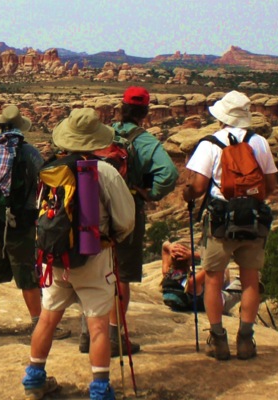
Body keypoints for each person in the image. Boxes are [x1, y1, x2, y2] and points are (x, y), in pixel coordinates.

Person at [22, 108, 136, 400]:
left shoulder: (51, 169)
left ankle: (34, 380)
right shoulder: (105, 171)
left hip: (55, 259)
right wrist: (115, 239)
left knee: (48, 319)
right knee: (98, 325)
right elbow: (125, 220)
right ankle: (99, 390)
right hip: (94, 257)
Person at [182, 91, 278, 361]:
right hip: (254, 220)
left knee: (213, 279)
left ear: (221, 117)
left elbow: (198, 187)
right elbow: (271, 186)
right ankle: (246, 341)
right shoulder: (260, 143)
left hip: (220, 220)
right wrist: (249, 202)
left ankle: (218, 340)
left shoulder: (210, 143)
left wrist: (186, 194)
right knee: (250, 280)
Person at [0, 105, 71, 340]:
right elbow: (43, 178)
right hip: (20, 219)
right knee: (26, 271)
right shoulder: (27, 151)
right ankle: (38, 325)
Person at [102, 86, 179, 356]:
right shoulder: (146, 142)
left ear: (121, 108)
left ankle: (91, 334)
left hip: (95, 209)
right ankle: (114, 336)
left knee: (95, 269)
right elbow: (169, 174)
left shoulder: (104, 133)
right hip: (127, 208)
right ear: (145, 113)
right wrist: (150, 193)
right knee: (120, 272)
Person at [159, 241, 240, 315]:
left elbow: (164, 246)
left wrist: (170, 247)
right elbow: (215, 260)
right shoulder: (192, 281)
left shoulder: (167, 273)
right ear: (189, 261)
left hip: (197, 300)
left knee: (223, 272)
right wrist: (193, 254)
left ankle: (223, 290)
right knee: (244, 282)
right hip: (220, 303)